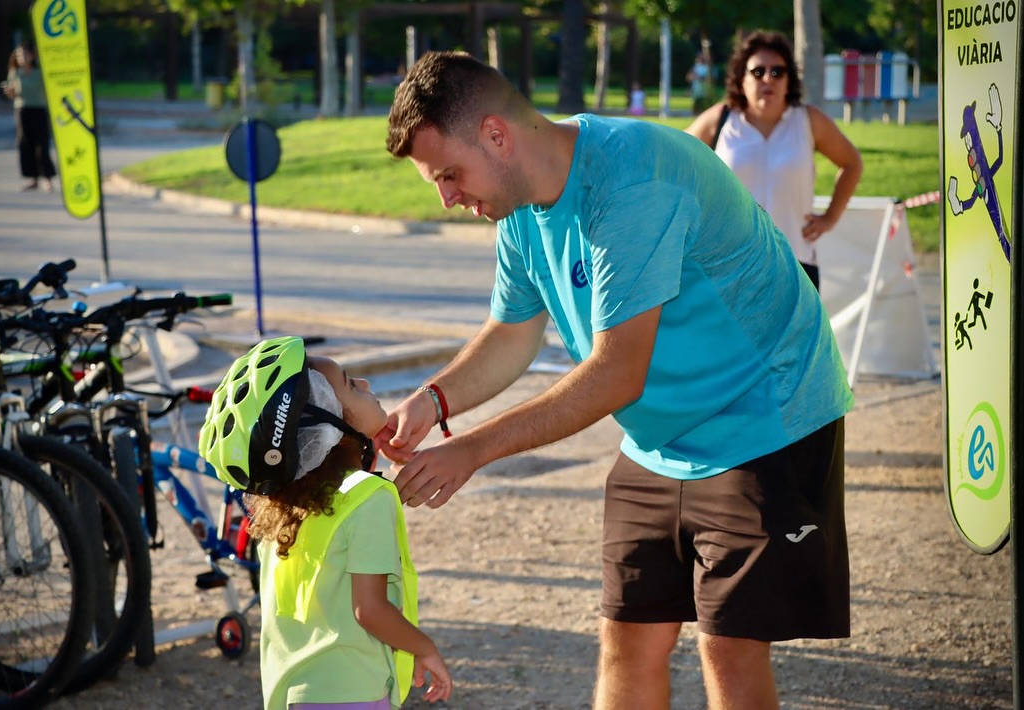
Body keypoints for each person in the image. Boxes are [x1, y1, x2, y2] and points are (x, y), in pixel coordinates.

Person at [381, 50, 853, 709]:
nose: (448, 197)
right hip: (660, 437)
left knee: (727, 648)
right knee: (626, 641)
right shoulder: (516, 205)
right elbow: (513, 333)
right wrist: (434, 402)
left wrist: (472, 448)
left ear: (496, 134)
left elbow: (616, 375)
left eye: (450, 175)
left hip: (763, 412)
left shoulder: (629, 181)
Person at [199, 336, 452, 710]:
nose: (365, 385)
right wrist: (423, 647)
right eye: (350, 385)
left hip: (292, 693)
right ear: (327, 427)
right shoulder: (368, 498)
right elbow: (370, 611)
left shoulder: (283, 507)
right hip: (352, 695)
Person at [686, 30, 863, 292]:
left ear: (789, 79)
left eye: (777, 71)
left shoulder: (808, 120)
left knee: (798, 335)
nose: (768, 78)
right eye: (758, 72)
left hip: (795, 265)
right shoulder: (720, 121)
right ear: (741, 79)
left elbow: (852, 163)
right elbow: (675, 165)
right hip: (729, 266)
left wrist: (830, 218)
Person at [1, 41, 57, 192]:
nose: (21, 57)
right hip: (22, 110)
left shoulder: (41, 72)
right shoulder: (15, 72)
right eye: (19, 54)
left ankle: (47, 178)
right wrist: (9, 92)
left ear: (32, 55)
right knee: (26, 144)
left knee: (42, 144)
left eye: (24, 54)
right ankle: (33, 178)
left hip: (39, 110)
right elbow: (13, 94)